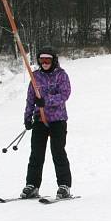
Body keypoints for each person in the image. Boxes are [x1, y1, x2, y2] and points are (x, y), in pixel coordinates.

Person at [20, 46, 73, 199]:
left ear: (53, 60)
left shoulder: (61, 75)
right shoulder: (35, 77)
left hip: (58, 120)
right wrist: (27, 117)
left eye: (47, 60)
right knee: (36, 154)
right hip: (39, 120)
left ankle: (64, 186)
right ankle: (32, 185)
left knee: (58, 152)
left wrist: (46, 101)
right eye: (42, 60)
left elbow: (65, 94)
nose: (44, 63)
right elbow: (30, 99)